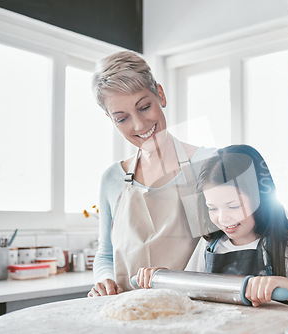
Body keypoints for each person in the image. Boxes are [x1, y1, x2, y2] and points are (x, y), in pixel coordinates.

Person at [136, 145, 288, 318]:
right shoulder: (211, 244)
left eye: (233, 206)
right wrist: (161, 277)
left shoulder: (282, 240)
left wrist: (283, 284)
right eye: (212, 208)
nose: (223, 218)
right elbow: (187, 289)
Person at [87, 51, 215, 297]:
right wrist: (105, 280)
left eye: (144, 107)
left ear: (161, 94)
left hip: (196, 312)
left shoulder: (207, 164)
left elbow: (224, 248)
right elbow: (105, 252)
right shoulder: (112, 179)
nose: (139, 125)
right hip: (130, 315)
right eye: (122, 118)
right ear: (111, 120)